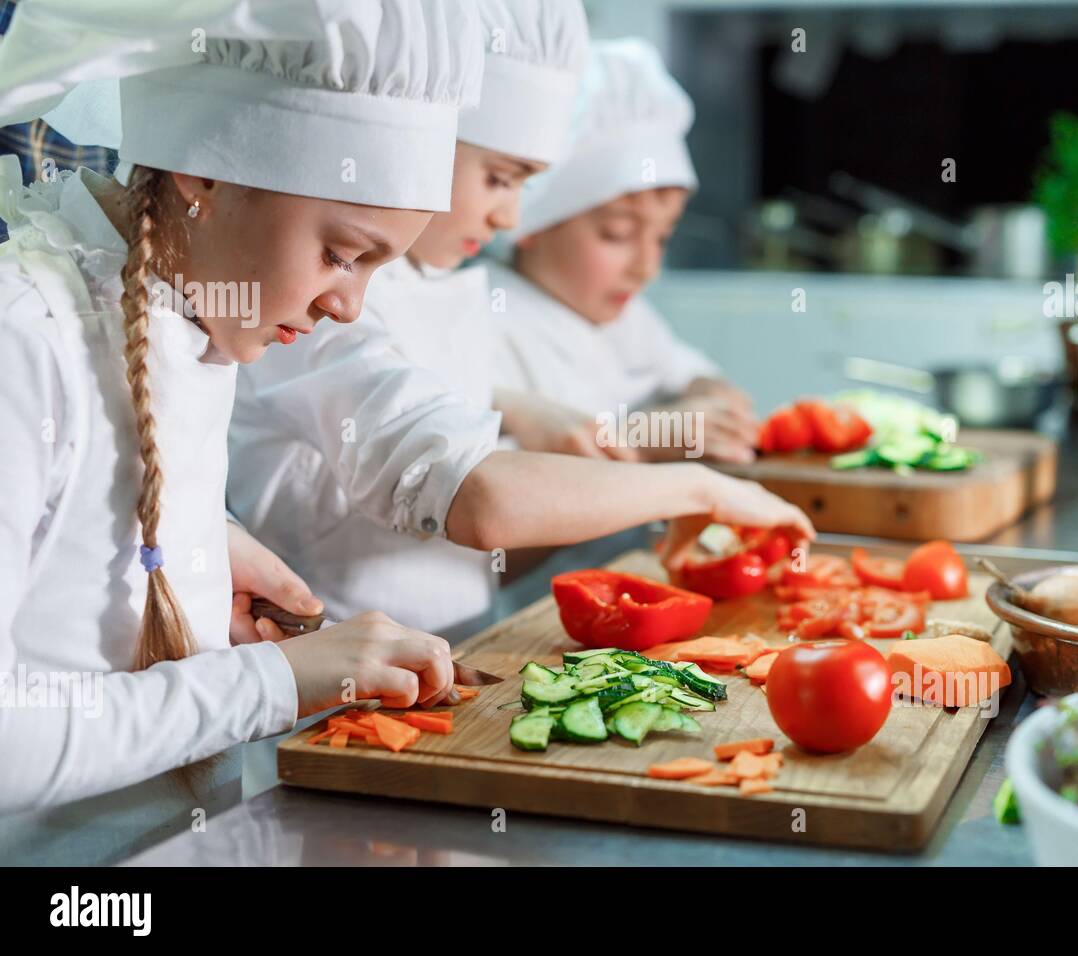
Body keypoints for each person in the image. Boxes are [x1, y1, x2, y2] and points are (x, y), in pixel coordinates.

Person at [0, 0, 487, 864]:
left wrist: (193, 551)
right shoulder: (23, 340)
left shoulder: (190, 312)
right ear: (206, 179)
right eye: (342, 254)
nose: (348, 308)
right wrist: (277, 682)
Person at [227, 7, 814, 637]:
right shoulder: (313, 300)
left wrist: (512, 407)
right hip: (323, 697)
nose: (511, 219)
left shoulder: (436, 283)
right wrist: (695, 485)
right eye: (501, 178)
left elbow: (418, 403)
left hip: (443, 657)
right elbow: (479, 498)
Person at [491, 39, 760, 465]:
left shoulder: (623, 316)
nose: (646, 268)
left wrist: (710, 393)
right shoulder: (489, 319)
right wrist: (645, 435)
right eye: (617, 234)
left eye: (661, 237)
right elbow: (490, 476)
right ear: (529, 223)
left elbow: (685, 368)